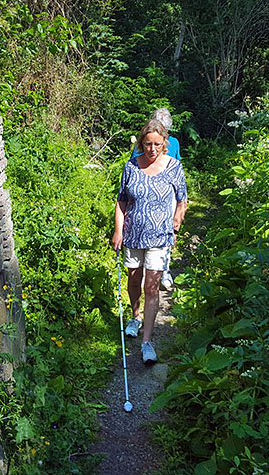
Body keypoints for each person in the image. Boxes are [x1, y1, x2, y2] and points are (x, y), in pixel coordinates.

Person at [113, 119, 188, 363]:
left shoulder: (174, 167)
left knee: (152, 287)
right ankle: (135, 316)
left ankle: (147, 341)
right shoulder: (131, 166)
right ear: (141, 143)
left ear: (164, 144)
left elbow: (182, 199)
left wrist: (177, 219)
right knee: (134, 281)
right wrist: (118, 231)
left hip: (160, 236)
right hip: (133, 234)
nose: (152, 149)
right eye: (147, 144)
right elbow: (121, 201)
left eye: (157, 144)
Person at [130, 109, 182, 290]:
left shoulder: (174, 143)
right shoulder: (143, 146)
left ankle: (164, 271)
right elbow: (135, 164)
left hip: (167, 195)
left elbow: (177, 167)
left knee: (164, 233)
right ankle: (147, 272)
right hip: (144, 193)